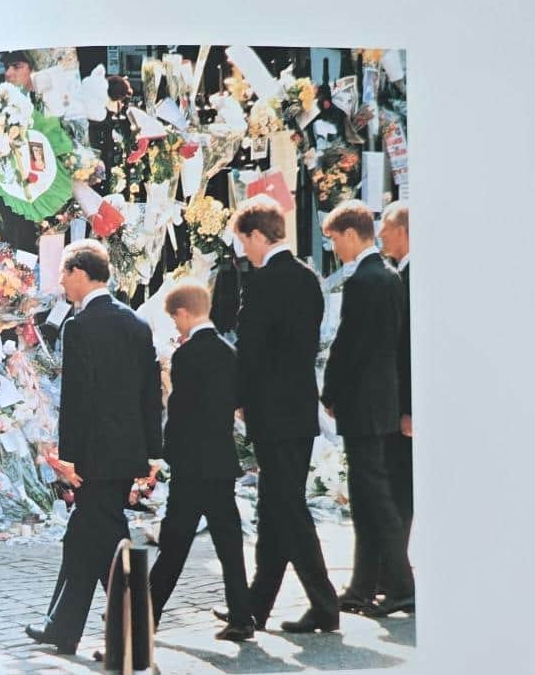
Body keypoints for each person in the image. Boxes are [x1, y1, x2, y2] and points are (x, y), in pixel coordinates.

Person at [25, 239, 162, 655]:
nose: (62, 283)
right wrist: (152, 454)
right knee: (83, 539)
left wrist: (68, 460)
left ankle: (133, 630)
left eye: (64, 274)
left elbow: (77, 399)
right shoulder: (137, 323)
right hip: (126, 453)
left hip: (93, 456)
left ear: (80, 273)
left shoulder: (80, 326)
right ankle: (62, 628)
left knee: (107, 542)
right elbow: (151, 395)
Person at [232, 194, 341, 633]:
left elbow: (250, 350)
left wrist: (238, 397)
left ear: (259, 235)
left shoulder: (263, 282)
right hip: (297, 407)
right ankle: (256, 606)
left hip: (271, 411)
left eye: (245, 241)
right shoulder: (308, 278)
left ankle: (324, 603)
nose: (244, 251)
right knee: (276, 506)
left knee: (287, 509)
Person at [320, 199, 414, 617]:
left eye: (335, 239)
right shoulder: (390, 276)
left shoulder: (363, 280)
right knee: (368, 496)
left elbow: (349, 346)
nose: (334, 248)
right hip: (383, 402)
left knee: (373, 497)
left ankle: (400, 586)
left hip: (362, 403)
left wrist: (330, 391)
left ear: (351, 234)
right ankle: (362, 586)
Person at [148, 281, 254, 642]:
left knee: (173, 545)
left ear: (183, 313)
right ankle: (241, 616)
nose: (175, 326)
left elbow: (179, 414)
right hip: (221, 461)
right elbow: (236, 400)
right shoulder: (228, 351)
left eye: (174, 319)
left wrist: (165, 455)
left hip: (192, 465)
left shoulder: (186, 356)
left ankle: (147, 614)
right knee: (229, 544)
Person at [378, 200, 413, 554]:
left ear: (402, 232)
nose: (381, 235)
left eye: (386, 230)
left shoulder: (410, 279)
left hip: (405, 408)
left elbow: (410, 351)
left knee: (401, 488)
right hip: (399, 405)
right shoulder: (403, 275)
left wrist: (409, 410)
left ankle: (397, 565)